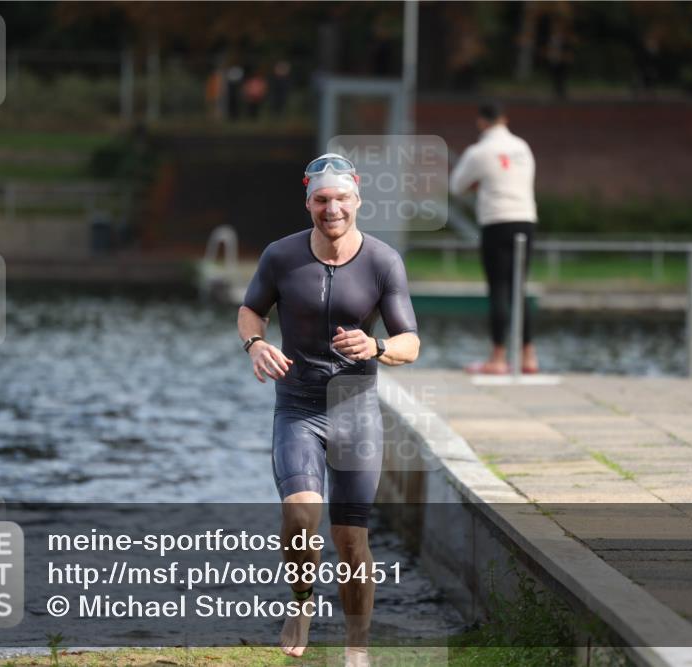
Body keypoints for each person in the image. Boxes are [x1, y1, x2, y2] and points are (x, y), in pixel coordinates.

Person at [237, 153, 420, 666]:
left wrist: (378, 346)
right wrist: (255, 343)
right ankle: (302, 602)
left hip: (355, 411)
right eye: (321, 199)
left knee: (350, 539)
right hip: (298, 407)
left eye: (341, 198)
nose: (331, 208)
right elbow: (251, 309)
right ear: (308, 203)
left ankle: (356, 646)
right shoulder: (281, 256)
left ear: (357, 200)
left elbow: (410, 342)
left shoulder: (383, 261)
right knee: (300, 516)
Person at [450, 102, 540, 374]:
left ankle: (498, 358)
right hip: (525, 219)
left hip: (496, 222)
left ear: (481, 122)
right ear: (505, 119)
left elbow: (456, 186)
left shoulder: (478, 152)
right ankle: (529, 356)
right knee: (519, 288)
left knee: (499, 288)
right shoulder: (523, 148)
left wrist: (478, 185)